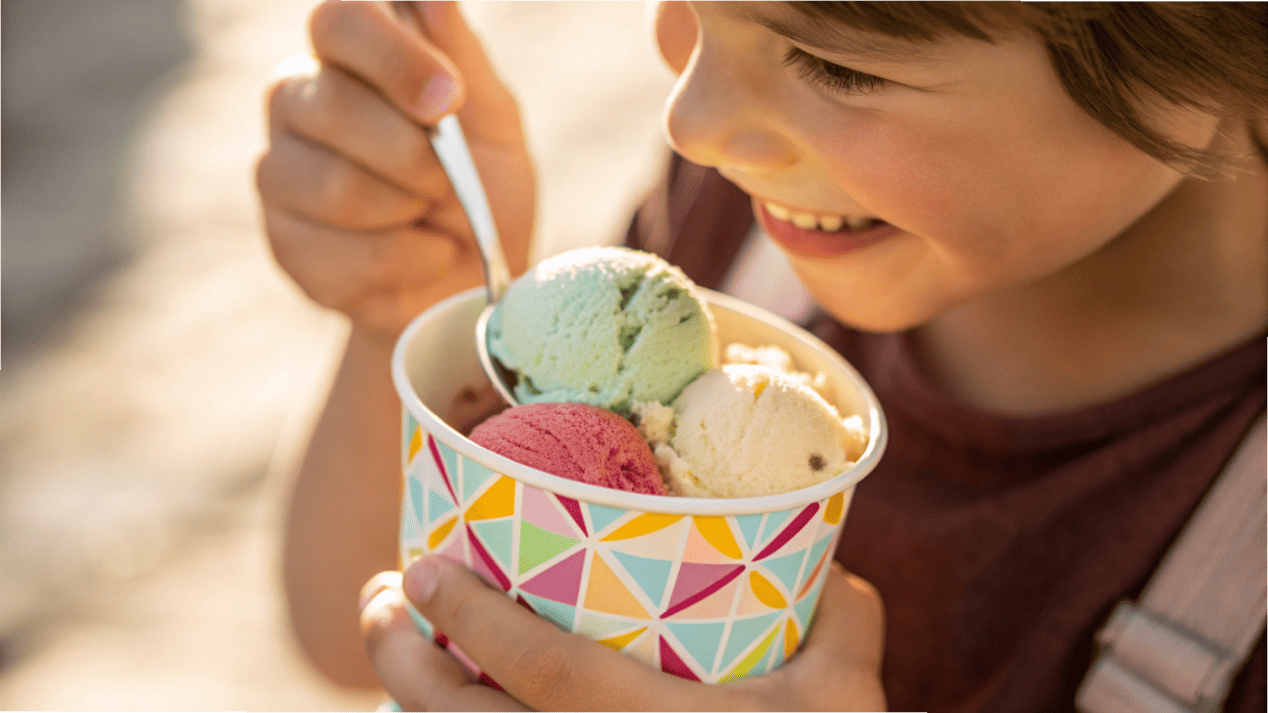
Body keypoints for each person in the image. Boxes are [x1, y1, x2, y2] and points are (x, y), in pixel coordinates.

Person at [255, 1, 1267, 710]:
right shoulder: (750, 240)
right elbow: (347, 623)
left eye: (837, 61)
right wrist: (410, 309)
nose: (690, 125)